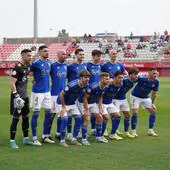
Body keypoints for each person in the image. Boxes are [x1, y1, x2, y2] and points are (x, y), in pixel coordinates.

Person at [56, 70, 90, 147]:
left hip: (72, 103)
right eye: (85, 77)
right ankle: (62, 141)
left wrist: (86, 109)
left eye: (88, 77)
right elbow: (61, 94)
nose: (87, 79)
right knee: (65, 119)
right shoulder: (72, 85)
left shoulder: (87, 86)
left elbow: (85, 97)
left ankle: (74, 139)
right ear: (81, 78)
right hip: (61, 103)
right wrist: (63, 107)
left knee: (79, 119)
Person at [30, 45, 54, 145]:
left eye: (47, 51)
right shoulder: (36, 63)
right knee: (36, 114)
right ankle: (35, 138)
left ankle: (45, 136)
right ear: (39, 53)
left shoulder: (49, 63)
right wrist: (33, 80)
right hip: (37, 92)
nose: (47, 52)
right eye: (44, 51)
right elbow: (27, 70)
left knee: (49, 113)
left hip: (47, 92)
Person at [78, 72, 110, 144]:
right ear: (101, 79)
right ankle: (84, 139)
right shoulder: (93, 87)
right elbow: (85, 98)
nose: (108, 81)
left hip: (92, 103)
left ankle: (98, 137)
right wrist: (86, 110)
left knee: (100, 117)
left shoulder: (105, 86)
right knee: (87, 119)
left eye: (108, 79)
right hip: (83, 103)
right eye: (106, 79)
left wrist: (100, 107)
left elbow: (100, 96)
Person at [9, 49, 32, 149]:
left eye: (31, 56)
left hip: (25, 97)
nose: (30, 57)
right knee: (16, 119)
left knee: (26, 117)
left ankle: (26, 139)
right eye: (28, 56)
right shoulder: (17, 67)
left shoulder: (27, 67)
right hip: (18, 98)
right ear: (23, 56)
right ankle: (12, 141)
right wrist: (17, 96)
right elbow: (12, 83)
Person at [101, 49, 127, 136]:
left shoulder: (120, 65)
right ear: (109, 55)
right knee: (105, 115)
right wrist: (108, 81)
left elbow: (124, 73)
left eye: (116, 53)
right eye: (113, 54)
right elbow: (101, 76)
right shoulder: (105, 66)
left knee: (115, 114)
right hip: (106, 88)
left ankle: (113, 132)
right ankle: (102, 131)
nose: (115, 55)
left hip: (114, 91)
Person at [130, 68, 160, 137]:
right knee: (135, 112)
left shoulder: (156, 81)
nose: (155, 75)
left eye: (156, 73)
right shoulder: (141, 78)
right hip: (135, 96)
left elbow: (154, 93)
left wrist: (152, 104)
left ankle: (150, 130)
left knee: (153, 111)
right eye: (153, 73)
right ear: (149, 73)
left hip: (145, 97)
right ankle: (133, 131)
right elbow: (133, 80)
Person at [113, 68, 139, 138]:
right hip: (115, 99)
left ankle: (126, 132)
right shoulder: (123, 80)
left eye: (137, 74)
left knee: (127, 115)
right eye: (135, 74)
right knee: (116, 116)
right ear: (130, 75)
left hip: (123, 99)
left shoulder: (134, 80)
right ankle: (114, 132)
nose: (136, 76)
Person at [67, 48, 87, 139]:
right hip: (71, 93)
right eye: (80, 54)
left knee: (80, 114)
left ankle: (77, 131)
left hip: (80, 94)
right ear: (75, 55)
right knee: (69, 115)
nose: (82, 56)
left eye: (83, 54)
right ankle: (69, 133)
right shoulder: (71, 67)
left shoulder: (85, 66)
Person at [50, 50, 67, 139]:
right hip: (54, 93)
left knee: (61, 114)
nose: (65, 55)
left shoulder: (66, 66)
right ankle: (47, 134)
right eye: (63, 54)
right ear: (58, 55)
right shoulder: (53, 66)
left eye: (65, 54)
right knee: (52, 115)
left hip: (63, 94)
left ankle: (58, 133)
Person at [102, 71, 124, 140]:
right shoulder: (107, 85)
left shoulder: (120, 85)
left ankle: (113, 134)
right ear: (114, 78)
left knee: (118, 116)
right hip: (102, 103)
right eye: (119, 78)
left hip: (110, 103)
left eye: (122, 77)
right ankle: (100, 135)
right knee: (106, 117)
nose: (121, 79)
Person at [86, 49, 103, 136]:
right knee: (86, 113)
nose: (99, 58)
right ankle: (81, 132)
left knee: (95, 111)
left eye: (100, 56)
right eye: (98, 56)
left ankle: (93, 129)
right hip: (89, 91)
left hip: (97, 92)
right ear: (93, 56)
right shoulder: (87, 65)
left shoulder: (100, 66)